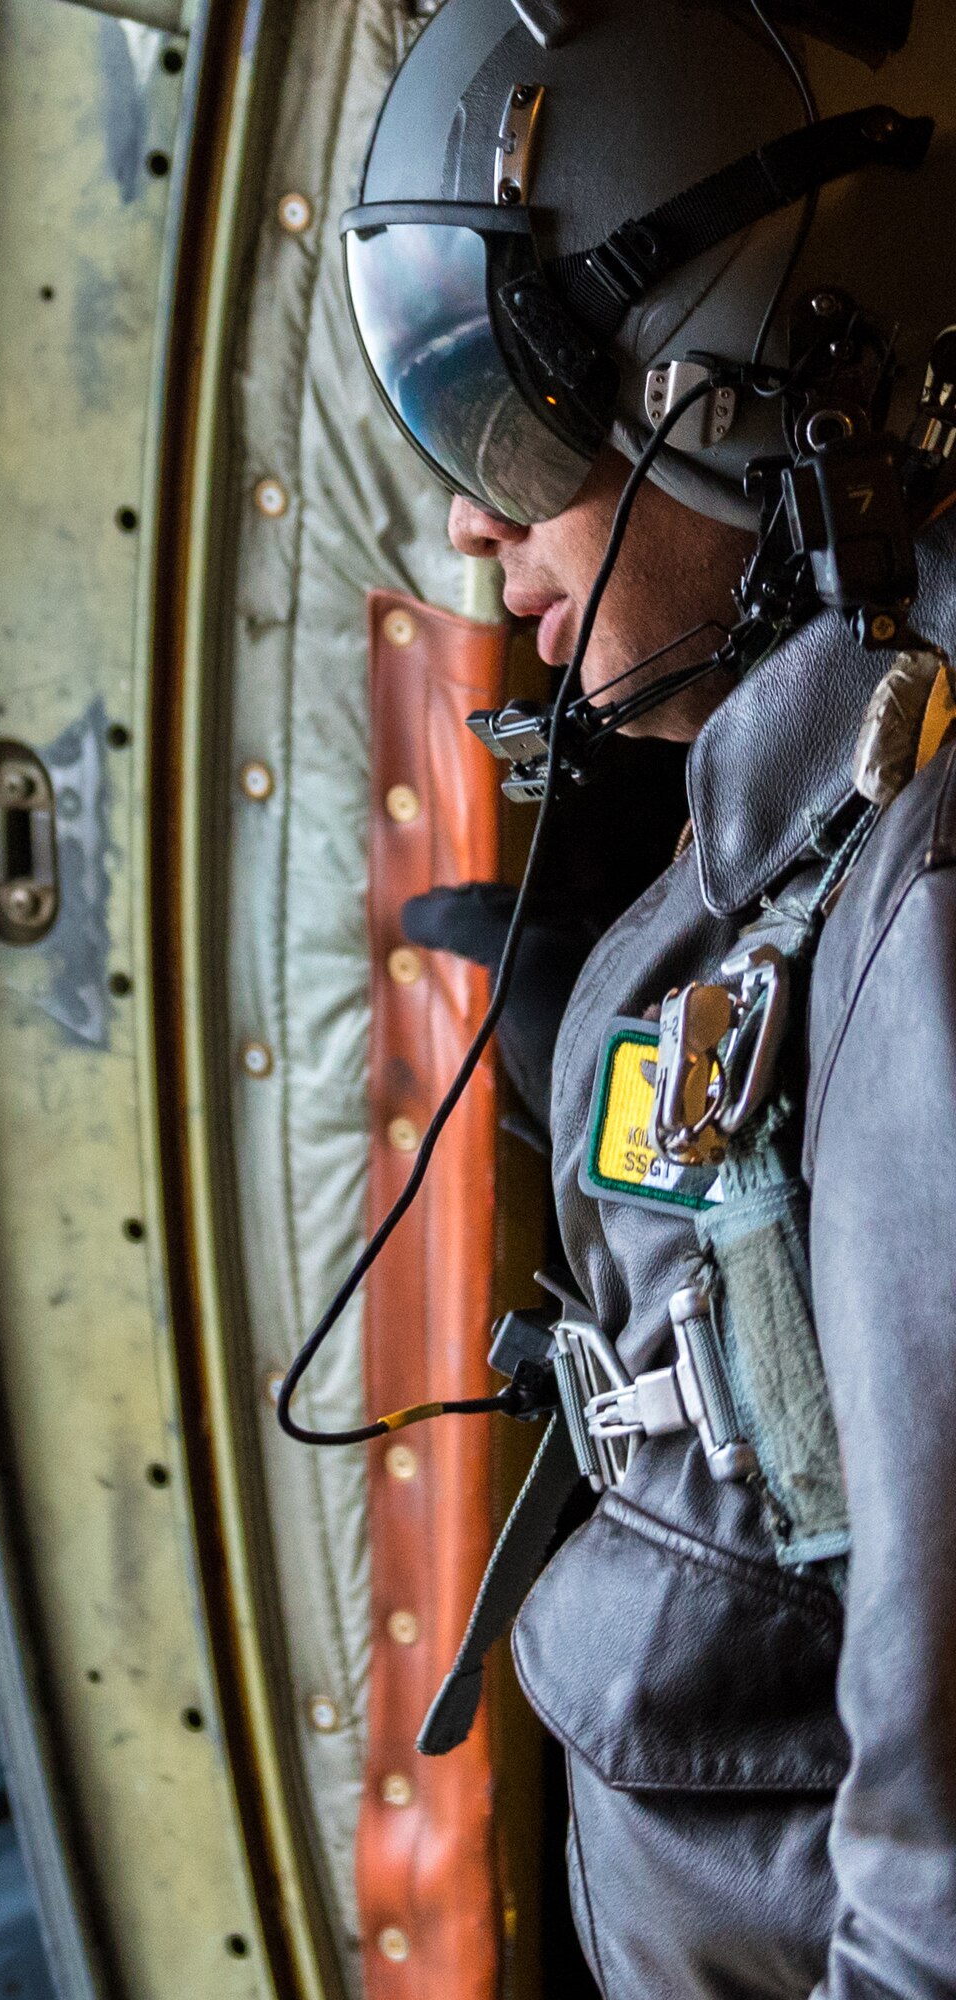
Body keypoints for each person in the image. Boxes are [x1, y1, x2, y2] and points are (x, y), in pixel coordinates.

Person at [333, 2, 956, 1993]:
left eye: (498, 411)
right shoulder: (806, 838)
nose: (468, 515)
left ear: (748, 380)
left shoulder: (915, 903)